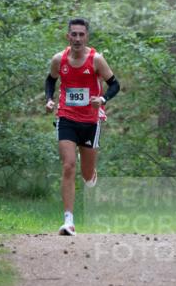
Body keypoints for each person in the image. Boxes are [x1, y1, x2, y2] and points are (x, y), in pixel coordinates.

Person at [45, 17, 120, 236]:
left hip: (90, 120)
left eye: (81, 34)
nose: (77, 38)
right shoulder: (59, 59)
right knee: (68, 165)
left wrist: (103, 100)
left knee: (86, 175)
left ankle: (90, 173)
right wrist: (50, 99)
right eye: (73, 34)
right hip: (66, 117)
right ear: (68, 36)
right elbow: (50, 80)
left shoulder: (96, 60)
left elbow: (115, 84)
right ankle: (68, 221)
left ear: (86, 36)